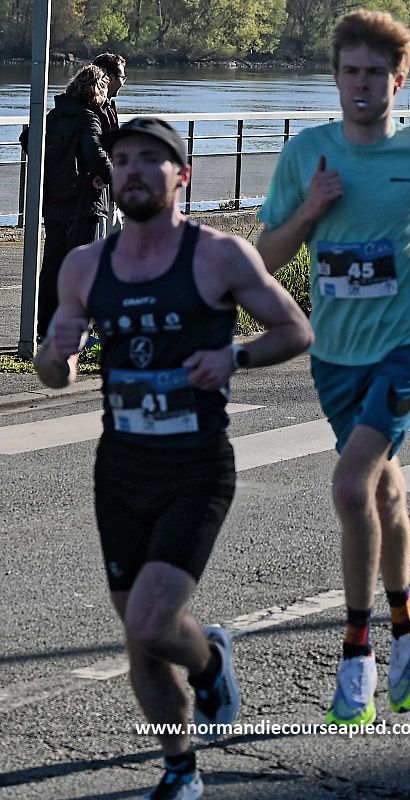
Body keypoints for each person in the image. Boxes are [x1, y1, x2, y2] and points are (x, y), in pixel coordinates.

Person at [35, 117, 313, 800]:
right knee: (142, 638)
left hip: (195, 468)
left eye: (149, 159)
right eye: (121, 159)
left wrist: (235, 357)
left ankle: (209, 660)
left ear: (182, 175)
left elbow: (294, 330)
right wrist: (55, 358)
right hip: (120, 471)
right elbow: (55, 367)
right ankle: (180, 766)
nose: (131, 169)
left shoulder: (219, 256)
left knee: (152, 622)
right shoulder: (85, 266)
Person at [256, 9, 410, 728]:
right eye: (350, 71)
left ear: (397, 81)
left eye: (374, 73)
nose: (361, 84)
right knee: (382, 490)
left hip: (408, 343)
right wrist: (309, 212)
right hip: (335, 354)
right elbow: (266, 257)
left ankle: (357, 653)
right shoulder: (307, 155)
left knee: (351, 485)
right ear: (336, 75)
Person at [36, 64, 112, 339]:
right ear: (97, 90)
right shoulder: (88, 118)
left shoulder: (54, 115)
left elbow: (28, 139)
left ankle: (45, 327)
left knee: (52, 266)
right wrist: (107, 175)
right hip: (82, 201)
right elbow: (94, 152)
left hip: (54, 198)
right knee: (82, 267)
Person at [92, 53, 127, 235]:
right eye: (122, 78)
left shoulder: (108, 107)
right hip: (99, 193)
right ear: (111, 78)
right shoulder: (95, 110)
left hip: (110, 191)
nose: (123, 83)